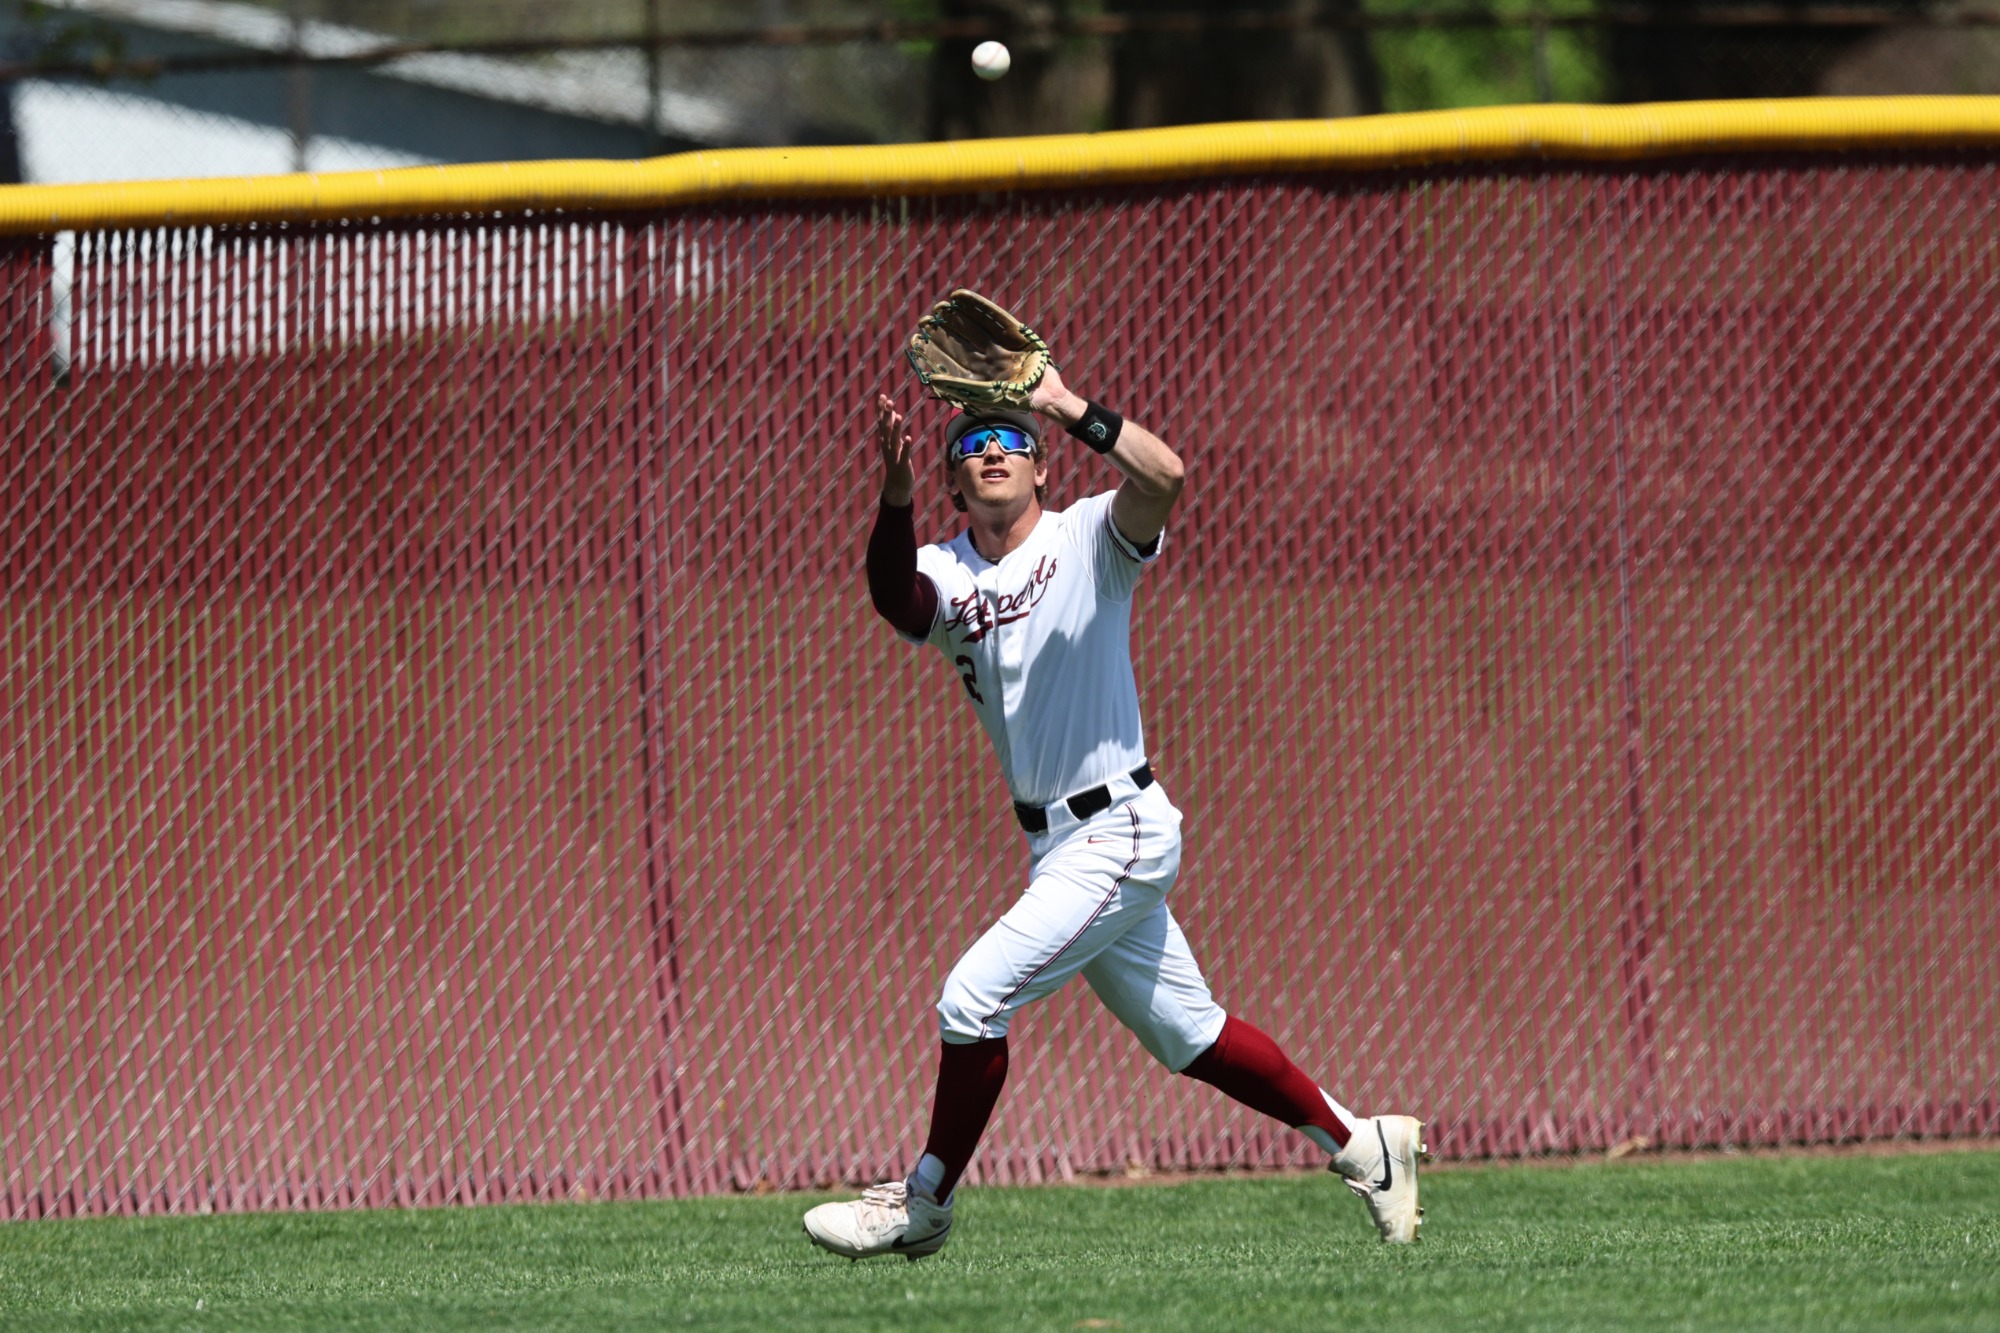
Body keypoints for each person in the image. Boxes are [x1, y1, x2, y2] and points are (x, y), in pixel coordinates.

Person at [802, 362, 1423, 1261]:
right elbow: (894, 596)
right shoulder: (943, 567)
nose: (992, 453)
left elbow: (1165, 476)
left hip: (1121, 826)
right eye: (970, 445)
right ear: (949, 478)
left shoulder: (1090, 533)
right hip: (1057, 846)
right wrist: (894, 498)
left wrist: (1064, 404)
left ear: (1043, 465)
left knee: (973, 997)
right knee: (1191, 1035)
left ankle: (924, 1198)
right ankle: (1367, 1145)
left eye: (1011, 439)